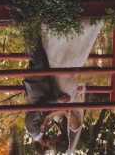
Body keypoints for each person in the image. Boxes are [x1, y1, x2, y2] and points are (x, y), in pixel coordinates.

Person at [41, 21, 103, 154]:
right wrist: (48, 116)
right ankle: (73, 28)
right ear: (62, 141)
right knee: (66, 63)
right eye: (58, 141)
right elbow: (65, 110)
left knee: (55, 60)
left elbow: (58, 108)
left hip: (58, 89)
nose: (56, 139)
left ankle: (60, 27)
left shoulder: (59, 125)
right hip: (68, 91)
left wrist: (50, 114)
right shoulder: (75, 127)